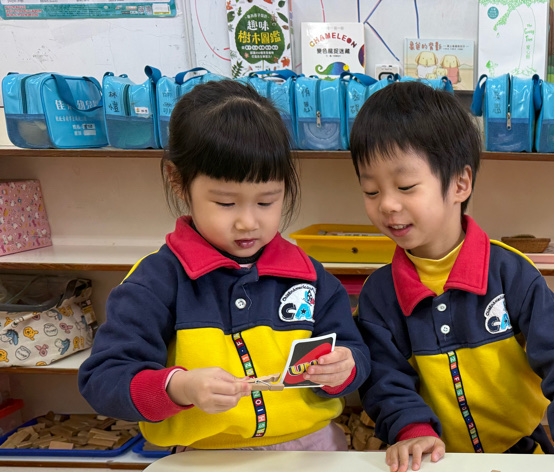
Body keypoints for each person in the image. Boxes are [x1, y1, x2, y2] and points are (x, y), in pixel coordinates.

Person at [79, 79, 369, 450]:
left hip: (312, 448)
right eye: (226, 204)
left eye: (266, 202)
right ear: (178, 181)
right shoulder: (156, 281)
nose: (248, 222)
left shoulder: (309, 275)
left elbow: (355, 351)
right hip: (205, 458)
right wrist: (179, 387)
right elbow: (104, 379)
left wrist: (344, 367)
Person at [350, 82, 554, 472]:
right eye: (371, 191)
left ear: (460, 184)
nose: (388, 205)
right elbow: (384, 379)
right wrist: (410, 428)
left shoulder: (511, 273)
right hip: (431, 461)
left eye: (406, 187)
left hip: (522, 455)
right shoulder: (379, 294)